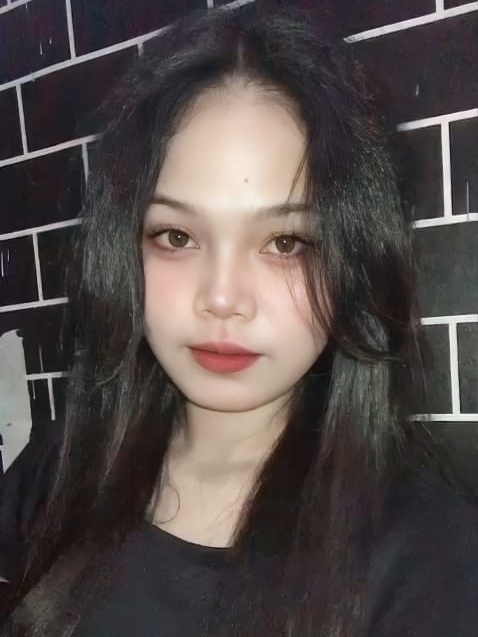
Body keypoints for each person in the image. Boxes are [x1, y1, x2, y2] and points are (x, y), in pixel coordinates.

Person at [0, 5, 477, 636]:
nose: (222, 299)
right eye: (176, 236)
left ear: (354, 261)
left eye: (286, 243)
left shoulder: (430, 560)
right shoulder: (58, 471)